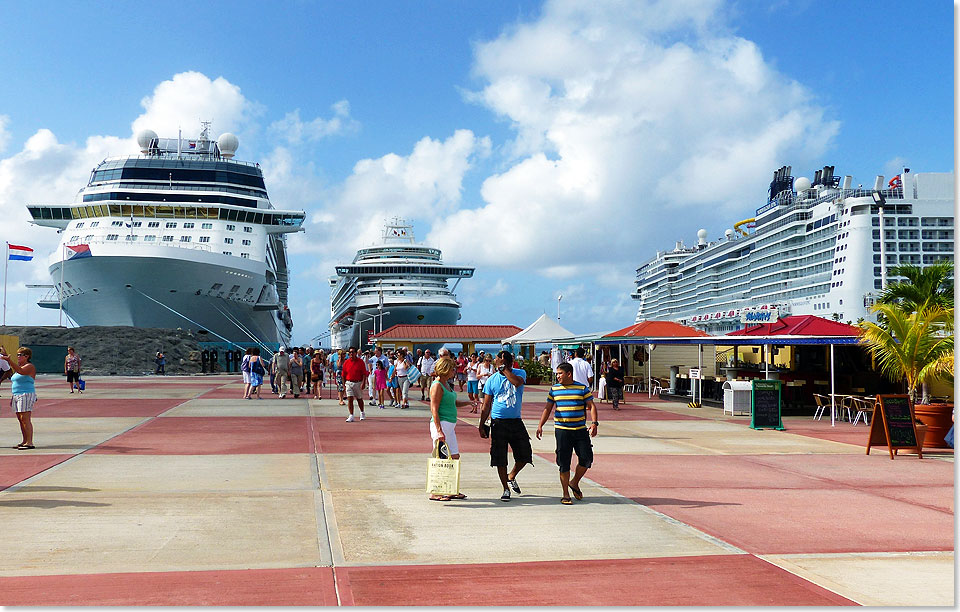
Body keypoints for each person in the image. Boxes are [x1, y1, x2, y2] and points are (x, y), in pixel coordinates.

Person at [536, 362, 599, 505]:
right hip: (562, 431)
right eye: (557, 373)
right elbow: (547, 408)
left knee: (586, 459)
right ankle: (565, 494)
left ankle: (574, 482)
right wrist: (540, 425)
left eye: (560, 373)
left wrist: (594, 423)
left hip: (580, 431)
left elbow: (592, 406)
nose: (557, 376)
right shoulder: (554, 390)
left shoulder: (582, 388)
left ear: (569, 374)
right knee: (564, 463)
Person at [478, 351, 532, 502]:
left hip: (515, 421)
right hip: (498, 422)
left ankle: (511, 476)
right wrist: (481, 425)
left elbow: (517, 382)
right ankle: (505, 488)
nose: (496, 364)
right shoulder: (491, 380)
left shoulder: (520, 373)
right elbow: (486, 404)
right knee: (499, 457)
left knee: (525, 454)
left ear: (508, 363)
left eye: (499, 362)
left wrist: (505, 369)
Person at [428, 357, 471, 501]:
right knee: (441, 458)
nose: (454, 371)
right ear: (446, 369)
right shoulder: (437, 385)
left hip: (450, 426)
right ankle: (436, 491)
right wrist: (439, 430)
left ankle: (451, 489)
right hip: (442, 424)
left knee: (455, 457)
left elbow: (452, 402)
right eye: (452, 368)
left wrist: (468, 403)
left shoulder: (447, 384)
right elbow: (434, 408)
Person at [1, 346, 37, 449]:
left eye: (20, 355)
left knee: (25, 418)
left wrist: (9, 361)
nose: (18, 357)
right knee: (20, 419)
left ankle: (29, 442)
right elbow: (15, 372)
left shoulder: (29, 366)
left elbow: (21, 371)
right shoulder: (18, 368)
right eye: (17, 355)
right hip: (17, 394)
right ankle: (24, 440)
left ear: (27, 356)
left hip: (26, 394)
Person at [342, 346, 368, 422]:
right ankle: (351, 415)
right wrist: (344, 385)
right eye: (350, 352)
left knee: (359, 399)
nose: (351, 354)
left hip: (358, 382)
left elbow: (364, 374)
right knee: (350, 399)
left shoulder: (360, 362)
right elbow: (343, 374)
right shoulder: (346, 362)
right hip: (349, 382)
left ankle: (362, 412)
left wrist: (363, 383)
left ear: (356, 353)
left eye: (352, 352)